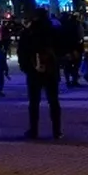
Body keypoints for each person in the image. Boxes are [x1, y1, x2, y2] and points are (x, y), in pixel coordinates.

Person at [18, 9, 61, 140]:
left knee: (34, 102)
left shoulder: (28, 32)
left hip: (33, 71)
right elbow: (60, 49)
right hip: (51, 70)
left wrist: (26, 67)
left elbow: (22, 52)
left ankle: (34, 130)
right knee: (53, 101)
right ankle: (57, 130)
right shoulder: (53, 31)